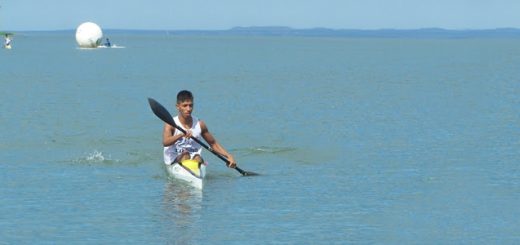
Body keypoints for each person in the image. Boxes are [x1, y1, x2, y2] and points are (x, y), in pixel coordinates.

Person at [163, 90, 237, 168]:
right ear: (178, 106)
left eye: (191, 105)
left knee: (198, 157)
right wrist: (181, 135)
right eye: (185, 105)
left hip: (195, 159)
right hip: (175, 160)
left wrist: (229, 156)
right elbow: (165, 142)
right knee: (185, 154)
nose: (188, 109)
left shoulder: (200, 124)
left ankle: (196, 172)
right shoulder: (170, 124)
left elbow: (213, 144)